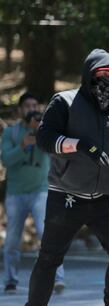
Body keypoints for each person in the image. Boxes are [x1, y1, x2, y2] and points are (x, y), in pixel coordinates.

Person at [18, 48, 109, 306]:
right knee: (49, 258)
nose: (108, 84)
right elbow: (46, 138)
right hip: (66, 194)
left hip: (106, 198)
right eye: (102, 77)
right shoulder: (65, 102)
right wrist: (78, 145)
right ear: (89, 76)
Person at [1, 92, 65, 294]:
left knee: (48, 233)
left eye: (34, 105)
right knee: (12, 240)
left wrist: (40, 133)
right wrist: (22, 145)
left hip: (41, 191)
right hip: (16, 193)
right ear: (20, 109)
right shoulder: (11, 133)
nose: (31, 109)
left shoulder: (44, 130)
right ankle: (11, 279)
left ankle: (58, 278)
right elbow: (6, 160)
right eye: (27, 106)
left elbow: (56, 152)